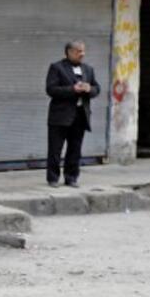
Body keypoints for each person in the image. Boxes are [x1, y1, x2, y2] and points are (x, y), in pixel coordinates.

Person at [46, 41, 101, 188]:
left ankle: (71, 178)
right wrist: (72, 89)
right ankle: (53, 178)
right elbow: (51, 89)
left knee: (75, 149)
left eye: (83, 51)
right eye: (78, 51)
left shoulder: (88, 69)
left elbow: (97, 88)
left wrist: (89, 89)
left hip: (80, 115)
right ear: (69, 52)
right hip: (60, 116)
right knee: (55, 149)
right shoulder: (57, 68)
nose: (82, 54)